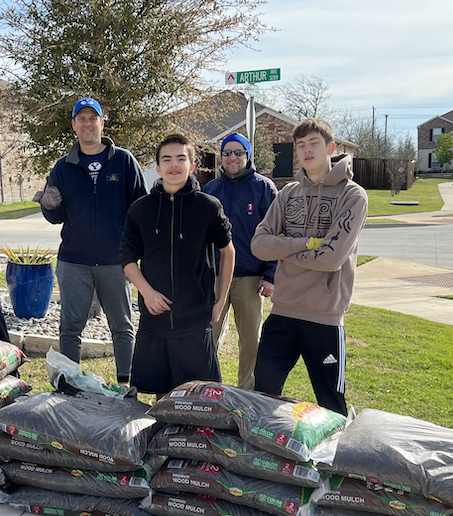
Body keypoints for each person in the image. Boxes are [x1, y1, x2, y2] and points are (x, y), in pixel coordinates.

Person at [249, 117, 368, 415]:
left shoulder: (352, 195)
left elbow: (332, 257)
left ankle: (334, 461)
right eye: (300, 145)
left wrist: (284, 250)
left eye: (313, 143)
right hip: (283, 311)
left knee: (331, 404)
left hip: (324, 317)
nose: (306, 150)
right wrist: (304, 244)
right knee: (263, 393)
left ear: (331, 147)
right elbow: (259, 245)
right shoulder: (288, 193)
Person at [40, 97, 147, 383]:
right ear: (74, 125)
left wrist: (136, 250)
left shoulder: (123, 161)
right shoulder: (63, 167)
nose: (88, 123)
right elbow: (55, 215)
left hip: (117, 260)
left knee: (122, 326)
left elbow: (140, 208)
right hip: (74, 260)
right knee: (70, 326)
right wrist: (48, 203)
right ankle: (71, 383)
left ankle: (128, 384)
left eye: (93, 118)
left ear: (102, 122)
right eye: (82, 119)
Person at [119, 133, 235, 397]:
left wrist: (220, 300)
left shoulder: (208, 207)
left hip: (195, 320)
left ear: (192, 165)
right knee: (161, 399)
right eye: (167, 159)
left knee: (199, 398)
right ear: (157, 167)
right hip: (155, 320)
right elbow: (126, 258)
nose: (174, 164)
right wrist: (147, 293)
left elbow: (228, 252)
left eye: (181, 158)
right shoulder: (140, 209)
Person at [203, 132, 278, 390]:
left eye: (238, 152)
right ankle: (208, 389)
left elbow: (277, 234)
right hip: (216, 278)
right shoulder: (210, 190)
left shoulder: (264, 188)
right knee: (207, 336)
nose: (232, 157)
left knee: (250, 341)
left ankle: (247, 393)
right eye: (227, 153)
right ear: (220, 158)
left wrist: (271, 275)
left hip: (251, 277)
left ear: (247, 155)